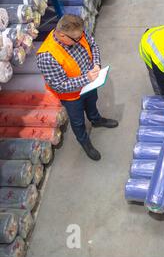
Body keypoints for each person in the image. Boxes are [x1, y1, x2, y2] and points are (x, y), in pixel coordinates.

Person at [36, 14, 118, 161]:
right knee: (78, 121)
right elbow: (59, 86)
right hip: (72, 97)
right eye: (76, 39)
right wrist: (86, 78)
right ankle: (84, 142)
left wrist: (96, 64)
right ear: (61, 35)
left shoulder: (77, 32)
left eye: (81, 36)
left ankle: (96, 120)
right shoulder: (47, 56)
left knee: (92, 103)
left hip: (90, 84)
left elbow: (92, 44)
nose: (80, 40)